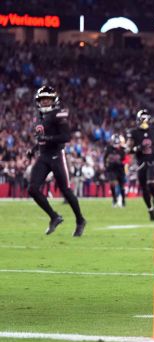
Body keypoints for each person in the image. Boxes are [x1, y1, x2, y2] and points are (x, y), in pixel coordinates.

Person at [27, 86, 86, 236]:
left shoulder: (58, 114)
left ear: (54, 100)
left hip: (57, 155)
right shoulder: (39, 116)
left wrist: (47, 139)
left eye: (48, 99)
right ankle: (54, 217)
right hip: (43, 156)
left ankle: (80, 220)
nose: (45, 102)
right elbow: (41, 138)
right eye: (42, 99)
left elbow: (66, 137)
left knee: (66, 190)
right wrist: (34, 149)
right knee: (32, 189)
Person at [127, 109, 154, 221]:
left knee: (151, 183)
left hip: (152, 160)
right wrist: (136, 148)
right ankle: (150, 209)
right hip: (141, 162)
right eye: (142, 120)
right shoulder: (134, 132)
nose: (144, 122)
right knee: (144, 189)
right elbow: (128, 149)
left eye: (146, 120)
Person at [104, 134, 127, 207]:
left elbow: (126, 160)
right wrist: (106, 166)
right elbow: (105, 158)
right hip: (112, 169)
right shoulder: (108, 148)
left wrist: (122, 163)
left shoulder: (122, 149)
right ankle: (114, 199)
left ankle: (123, 200)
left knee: (122, 186)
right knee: (112, 183)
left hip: (120, 169)